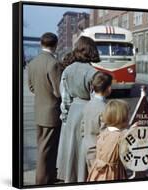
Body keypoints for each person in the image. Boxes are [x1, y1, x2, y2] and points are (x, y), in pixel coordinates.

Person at [56, 36, 100, 183]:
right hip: (86, 112)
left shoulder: (67, 70)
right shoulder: (93, 73)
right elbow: (96, 100)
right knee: (83, 150)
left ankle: (71, 178)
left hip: (73, 111)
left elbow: (65, 98)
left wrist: (65, 117)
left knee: (71, 150)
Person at [28, 32, 62, 184]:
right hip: (52, 112)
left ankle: (48, 177)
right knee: (47, 150)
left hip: (39, 110)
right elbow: (58, 91)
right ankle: (42, 181)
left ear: (41, 44)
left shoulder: (33, 62)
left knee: (43, 147)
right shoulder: (53, 63)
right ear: (55, 45)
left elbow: (31, 86)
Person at [87, 99, 135, 181]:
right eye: (127, 116)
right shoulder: (120, 136)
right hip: (112, 172)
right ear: (122, 119)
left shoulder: (104, 132)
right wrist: (133, 130)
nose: (129, 118)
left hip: (97, 171)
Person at [78, 71, 113, 181]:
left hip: (87, 146)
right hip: (99, 152)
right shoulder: (105, 108)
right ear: (108, 88)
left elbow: (82, 127)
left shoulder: (87, 105)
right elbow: (105, 134)